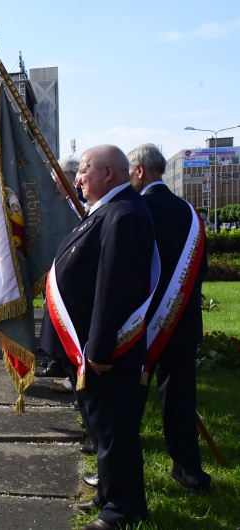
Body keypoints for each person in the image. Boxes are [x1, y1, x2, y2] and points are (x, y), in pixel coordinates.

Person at [40, 145, 156, 530]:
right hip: (92, 346)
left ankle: (123, 511)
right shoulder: (109, 210)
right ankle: (108, 494)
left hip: (108, 350)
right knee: (103, 428)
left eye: (84, 170)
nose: (77, 179)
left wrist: (100, 348)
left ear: (108, 172)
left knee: (115, 429)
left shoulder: (122, 214)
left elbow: (114, 288)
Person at [128, 143, 211, 491]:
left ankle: (116, 472)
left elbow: (130, 269)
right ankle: (189, 470)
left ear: (140, 171)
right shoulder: (190, 212)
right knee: (180, 400)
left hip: (145, 324)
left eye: (131, 170)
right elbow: (200, 267)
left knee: (128, 401)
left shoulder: (136, 209)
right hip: (184, 320)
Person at [37, 156, 80, 380]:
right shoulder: (60, 204)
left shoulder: (79, 205)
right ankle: (55, 359)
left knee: (62, 318)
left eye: (57, 180)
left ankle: (60, 362)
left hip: (70, 273)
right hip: (55, 269)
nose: (54, 185)